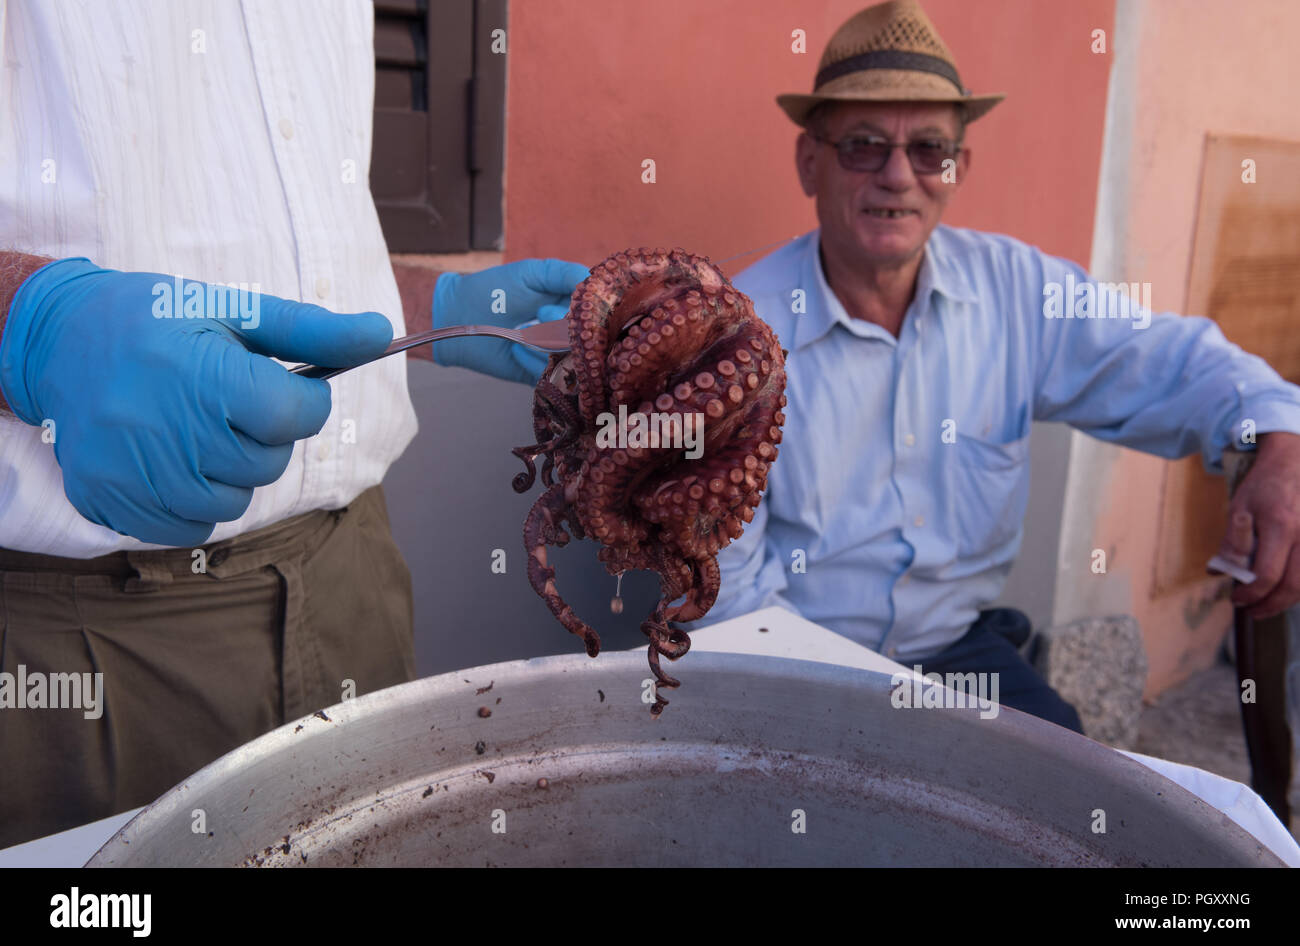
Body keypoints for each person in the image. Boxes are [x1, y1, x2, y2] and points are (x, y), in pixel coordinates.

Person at [0, 0, 582, 848]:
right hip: (83, 656)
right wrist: (31, 329)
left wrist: (439, 306)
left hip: (357, 586)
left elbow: (277, 249)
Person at [690, 0, 1300, 732]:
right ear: (808, 161)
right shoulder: (734, 336)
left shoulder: (1021, 293)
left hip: (955, 656)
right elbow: (727, 599)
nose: (897, 175)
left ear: (959, 167)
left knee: (1075, 799)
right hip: (793, 663)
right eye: (862, 144)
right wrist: (862, 720)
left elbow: (1173, 363)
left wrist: (1279, 440)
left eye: (929, 150)